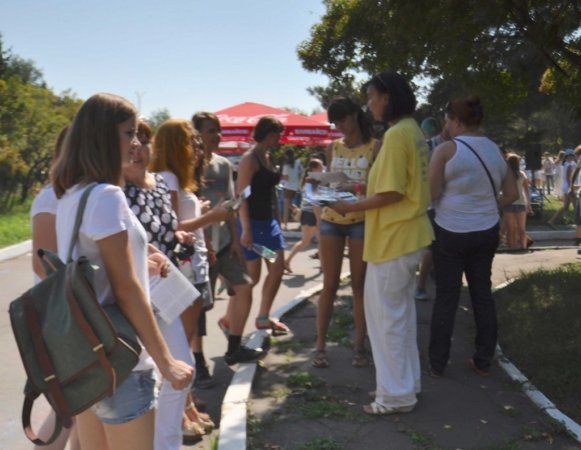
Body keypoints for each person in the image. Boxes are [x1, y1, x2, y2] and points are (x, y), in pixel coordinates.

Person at [51, 93, 193, 450]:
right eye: (128, 132)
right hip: (120, 355)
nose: (135, 143)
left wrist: (141, 258)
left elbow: (91, 265)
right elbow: (126, 288)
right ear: (102, 136)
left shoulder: (73, 193)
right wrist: (167, 361)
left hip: (83, 354)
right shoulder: (107, 196)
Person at [331, 72, 432, 415]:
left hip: (393, 238)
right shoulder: (412, 130)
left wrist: (350, 205)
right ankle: (406, 385)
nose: (368, 104)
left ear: (386, 97)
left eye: (372, 96)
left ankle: (395, 395)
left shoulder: (395, 135)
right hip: (406, 236)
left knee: (386, 320)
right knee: (399, 317)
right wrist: (358, 190)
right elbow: (394, 186)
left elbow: (392, 192)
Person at [123, 119, 215, 447]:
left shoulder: (160, 184)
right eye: (131, 142)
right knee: (142, 378)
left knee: (182, 367)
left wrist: (178, 235)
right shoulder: (114, 190)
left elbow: (168, 227)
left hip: (166, 287)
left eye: (144, 142)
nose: (138, 149)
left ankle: (166, 443)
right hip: (132, 293)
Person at [428, 95, 518, 378]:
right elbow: (512, 194)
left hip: (449, 231)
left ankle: (437, 363)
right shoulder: (495, 151)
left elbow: (431, 194)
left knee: (446, 296)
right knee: (482, 295)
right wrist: (488, 206)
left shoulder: (445, 151)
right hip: (486, 231)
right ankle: (483, 360)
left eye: (447, 121)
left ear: (456, 121)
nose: (446, 127)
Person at [311, 97, 379, 370]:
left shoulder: (376, 147)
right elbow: (326, 184)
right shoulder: (332, 148)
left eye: (343, 119)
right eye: (335, 122)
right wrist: (317, 184)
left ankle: (360, 347)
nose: (340, 126)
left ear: (355, 115)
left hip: (361, 218)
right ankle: (319, 346)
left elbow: (379, 187)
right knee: (329, 284)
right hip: (331, 218)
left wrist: (354, 190)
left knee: (359, 286)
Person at [192, 112, 263, 366]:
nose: (217, 135)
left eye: (218, 130)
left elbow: (231, 205)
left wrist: (236, 239)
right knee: (198, 307)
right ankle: (198, 361)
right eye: (211, 130)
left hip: (224, 245)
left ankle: (234, 348)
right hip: (198, 248)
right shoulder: (188, 166)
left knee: (244, 287)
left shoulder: (223, 165)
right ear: (197, 134)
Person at [30, 126, 81, 450]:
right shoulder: (52, 196)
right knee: (70, 408)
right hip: (62, 319)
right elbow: (43, 264)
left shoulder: (75, 193)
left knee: (80, 409)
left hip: (74, 314)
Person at [237, 116, 289, 336]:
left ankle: (263, 316)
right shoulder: (250, 159)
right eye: (277, 134)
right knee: (253, 277)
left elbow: (271, 193)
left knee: (277, 266)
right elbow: (241, 196)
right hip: (254, 226)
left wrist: (278, 219)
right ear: (268, 134)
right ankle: (231, 319)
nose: (279, 139)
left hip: (269, 225)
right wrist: (246, 229)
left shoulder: (269, 157)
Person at [414, 117, 445, 301]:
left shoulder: (426, 147)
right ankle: (421, 285)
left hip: (434, 204)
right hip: (436, 203)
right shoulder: (434, 146)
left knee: (432, 248)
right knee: (433, 248)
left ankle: (422, 284)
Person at [284, 158, 324, 272]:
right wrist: (319, 219)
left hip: (305, 214)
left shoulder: (307, 180)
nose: (323, 168)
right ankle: (323, 266)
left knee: (305, 241)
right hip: (312, 214)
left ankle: (287, 261)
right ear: (314, 169)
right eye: (321, 166)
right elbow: (315, 203)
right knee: (320, 241)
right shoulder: (314, 181)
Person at [503, 154, 532, 249]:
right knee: (522, 229)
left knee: (511, 229)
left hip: (508, 203)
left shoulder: (504, 174)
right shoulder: (522, 174)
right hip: (521, 202)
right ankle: (523, 247)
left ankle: (513, 247)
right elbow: (526, 190)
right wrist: (529, 204)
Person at [547, 148, 577, 228]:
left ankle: (552, 221)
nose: (574, 157)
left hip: (565, 187)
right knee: (577, 207)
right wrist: (572, 188)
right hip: (569, 187)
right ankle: (579, 224)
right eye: (573, 155)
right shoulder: (570, 165)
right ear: (569, 156)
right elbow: (569, 178)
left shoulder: (566, 164)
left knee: (565, 207)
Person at [281, 148, 303, 230]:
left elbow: (286, 178)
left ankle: (286, 224)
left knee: (286, 205)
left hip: (287, 186)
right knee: (288, 204)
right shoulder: (298, 162)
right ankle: (297, 211)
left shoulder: (286, 165)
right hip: (295, 186)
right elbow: (302, 172)